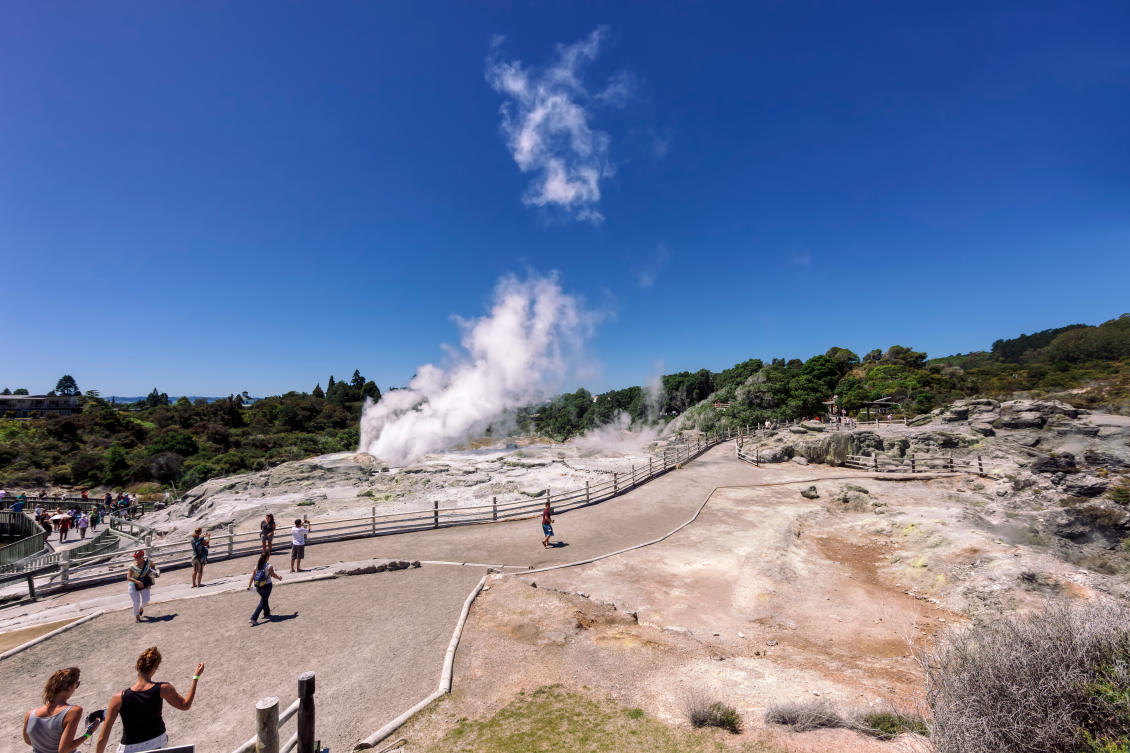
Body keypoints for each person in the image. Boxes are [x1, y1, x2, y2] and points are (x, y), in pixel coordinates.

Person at [95, 646, 204, 753]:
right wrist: (196, 677)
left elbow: (102, 739)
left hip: (129, 749)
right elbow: (185, 705)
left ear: (137, 667)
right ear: (155, 669)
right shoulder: (164, 689)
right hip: (157, 744)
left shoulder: (118, 698)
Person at [23, 667, 101, 753]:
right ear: (70, 686)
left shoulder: (30, 715)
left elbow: (28, 741)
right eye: (77, 684)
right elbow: (63, 750)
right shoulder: (74, 711)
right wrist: (89, 733)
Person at [247, 553, 282, 625]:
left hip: (258, 586)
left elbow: (252, 576)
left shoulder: (257, 565)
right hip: (267, 586)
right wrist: (279, 578)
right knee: (263, 601)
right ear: (267, 558)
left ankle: (266, 613)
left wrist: (249, 586)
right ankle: (253, 618)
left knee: (264, 599)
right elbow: (273, 575)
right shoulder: (269, 566)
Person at [126, 551, 159, 623]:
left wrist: (152, 572)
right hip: (133, 585)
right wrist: (137, 582)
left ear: (142, 556)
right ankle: (137, 616)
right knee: (136, 602)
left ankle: (141, 608)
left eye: (139, 557)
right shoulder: (131, 566)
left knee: (146, 600)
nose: (137, 558)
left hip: (145, 584)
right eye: (136, 557)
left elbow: (153, 566)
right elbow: (128, 577)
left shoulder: (148, 562)